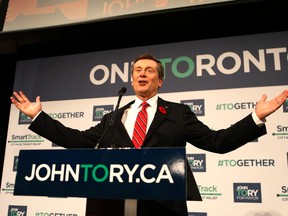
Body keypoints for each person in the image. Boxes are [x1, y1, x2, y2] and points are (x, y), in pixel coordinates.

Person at [10, 53, 288, 216]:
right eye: (137, 71)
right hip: (112, 209)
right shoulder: (114, 115)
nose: (142, 75)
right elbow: (78, 141)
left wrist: (256, 117)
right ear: (131, 79)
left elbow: (216, 141)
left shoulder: (178, 113)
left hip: (162, 210)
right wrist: (38, 117)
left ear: (160, 80)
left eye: (149, 71)